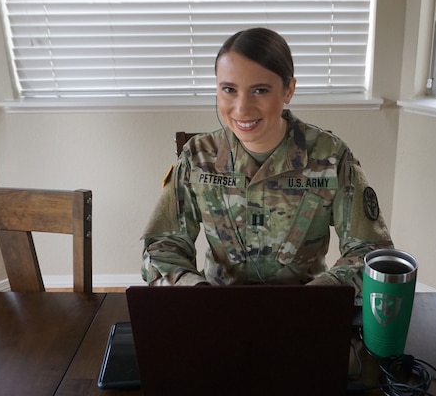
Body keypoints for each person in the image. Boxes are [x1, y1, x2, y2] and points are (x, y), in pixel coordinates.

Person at [141, 27, 393, 295]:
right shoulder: (198, 157)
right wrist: (199, 293)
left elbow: (370, 251)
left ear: (288, 91)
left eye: (260, 90)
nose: (241, 108)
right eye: (229, 89)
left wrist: (321, 293)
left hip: (305, 310)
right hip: (217, 309)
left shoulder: (330, 157)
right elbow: (162, 247)